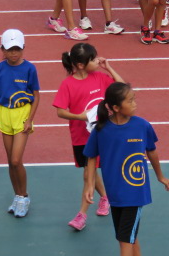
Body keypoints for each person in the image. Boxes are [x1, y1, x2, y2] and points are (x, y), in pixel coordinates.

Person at [83, 83, 169, 256]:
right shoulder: (101, 130)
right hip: (115, 192)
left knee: (125, 239)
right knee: (128, 237)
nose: (135, 103)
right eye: (130, 100)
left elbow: (152, 151)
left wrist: (160, 176)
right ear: (115, 107)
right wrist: (90, 184)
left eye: (134, 99)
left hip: (135, 192)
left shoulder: (142, 125)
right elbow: (91, 156)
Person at [52, 43, 123, 231]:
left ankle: (81, 215)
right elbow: (60, 111)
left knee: (87, 174)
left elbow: (122, 88)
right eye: (93, 59)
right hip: (81, 137)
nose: (97, 61)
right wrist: (81, 117)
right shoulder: (68, 84)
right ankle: (105, 197)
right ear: (81, 65)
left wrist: (108, 68)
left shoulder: (100, 78)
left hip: (103, 135)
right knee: (90, 171)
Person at [0, 29, 40, 218]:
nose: (14, 53)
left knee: (16, 160)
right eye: (9, 49)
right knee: (10, 162)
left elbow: (36, 96)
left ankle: (25, 197)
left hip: (22, 114)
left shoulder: (29, 69)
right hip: (4, 114)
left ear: (23, 48)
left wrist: (29, 119)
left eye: (17, 49)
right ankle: (17, 196)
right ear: (3, 50)